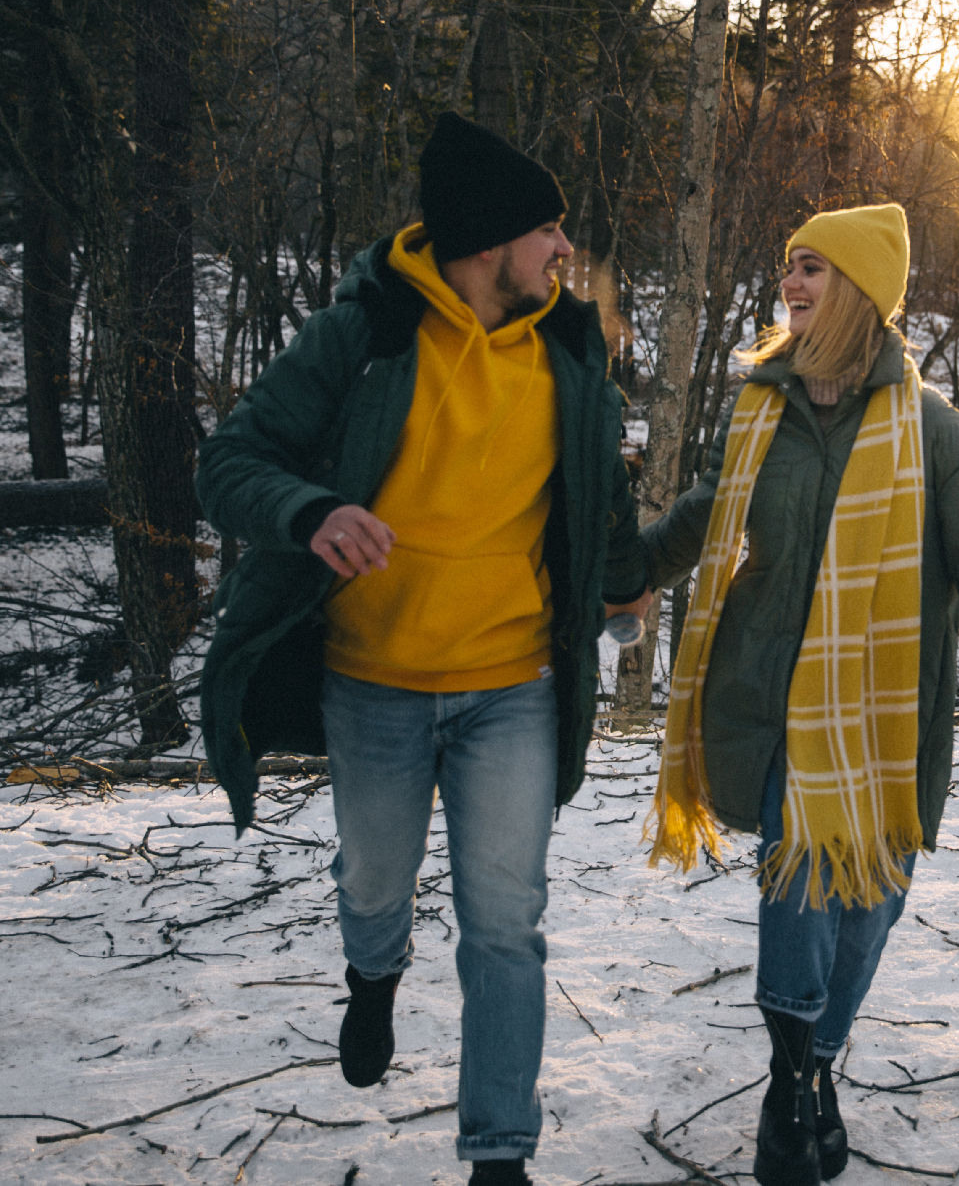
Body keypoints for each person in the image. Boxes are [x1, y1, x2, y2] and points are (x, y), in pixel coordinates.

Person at [195, 113, 648, 1186]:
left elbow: (600, 491)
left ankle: (498, 1153)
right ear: (489, 242)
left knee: (505, 925)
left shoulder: (569, 346)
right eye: (549, 230)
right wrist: (309, 512)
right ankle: (373, 975)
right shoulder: (359, 337)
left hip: (512, 690)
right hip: (374, 685)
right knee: (375, 885)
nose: (564, 252)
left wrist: (623, 587)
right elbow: (229, 460)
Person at [641, 203, 959, 1186]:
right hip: (770, 708)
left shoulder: (931, 434)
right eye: (787, 267)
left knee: (868, 907)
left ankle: (821, 1054)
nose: (790, 285)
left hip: (881, 726)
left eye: (812, 269)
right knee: (800, 884)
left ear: (861, 294)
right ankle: (791, 1079)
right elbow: (702, 518)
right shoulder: (759, 410)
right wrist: (630, 577)